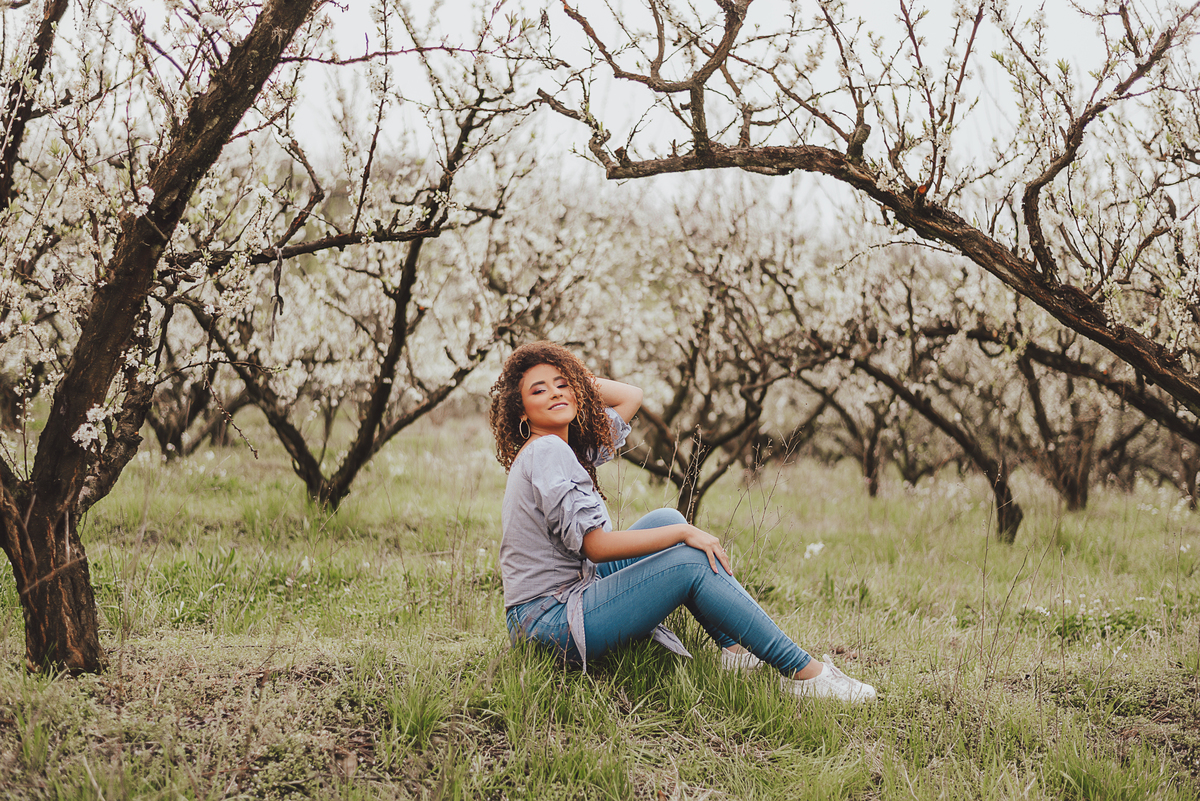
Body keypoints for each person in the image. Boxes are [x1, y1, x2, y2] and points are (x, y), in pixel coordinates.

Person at [489, 341, 876, 703]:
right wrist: (684, 532)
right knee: (688, 554)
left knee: (666, 517)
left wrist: (569, 381)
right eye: (538, 391)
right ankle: (806, 675)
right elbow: (596, 546)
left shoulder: (563, 446)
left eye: (562, 385)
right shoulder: (548, 451)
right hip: (551, 623)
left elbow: (630, 396)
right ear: (520, 410)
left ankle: (738, 655)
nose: (555, 394)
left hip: (547, 610)